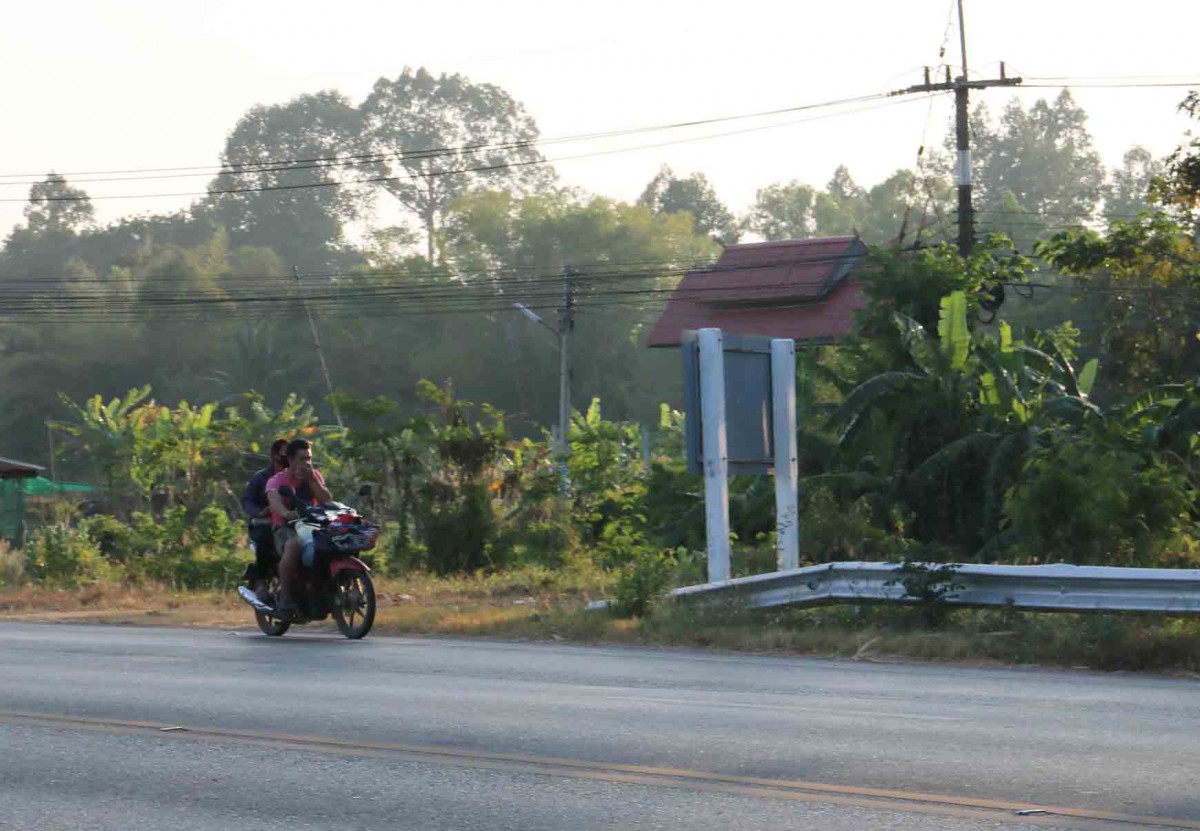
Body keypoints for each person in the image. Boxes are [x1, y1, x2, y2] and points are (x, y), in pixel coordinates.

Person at [265, 438, 332, 616]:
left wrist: (313, 483)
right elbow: (275, 502)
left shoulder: (314, 476)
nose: (307, 463)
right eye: (303, 459)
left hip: (312, 525)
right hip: (285, 528)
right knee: (294, 545)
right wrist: (287, 513)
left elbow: (326, 501)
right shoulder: (277, 480)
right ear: (292, 460)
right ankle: (285, 597)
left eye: (309, 458)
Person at [241, 439, 289, 590]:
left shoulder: (294, 477)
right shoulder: (260, 477)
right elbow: (247, 500)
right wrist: (259, 512)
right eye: (286, 453)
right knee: (266, 536)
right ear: (275, 455)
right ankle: (260, 578)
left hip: (287, 521)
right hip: (263, 523)